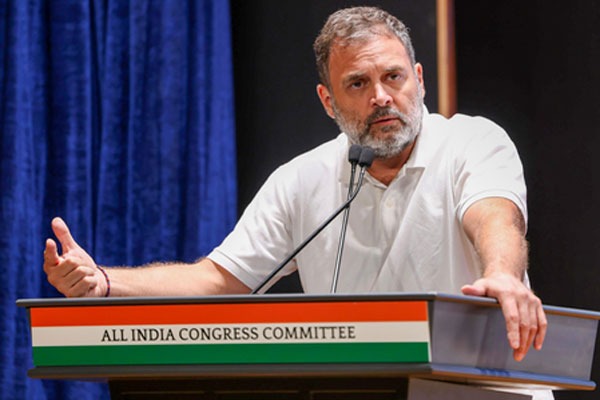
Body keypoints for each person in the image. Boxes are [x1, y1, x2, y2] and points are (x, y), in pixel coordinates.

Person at [44, 7, 549, 397]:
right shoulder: (301, 179)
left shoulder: (472, 142)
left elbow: (495, 217)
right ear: (328, 101)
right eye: (358, 83)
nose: (380, 96)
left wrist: (502, 275)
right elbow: (218, 279)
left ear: (419, 78)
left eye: (393, 77)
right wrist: (105, 282)